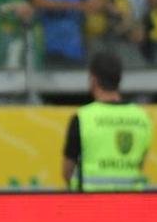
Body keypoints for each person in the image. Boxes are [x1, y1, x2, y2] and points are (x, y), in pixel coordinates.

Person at [61, 51, 152, 192]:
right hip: (131, 206)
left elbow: (67, 172)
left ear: (93, 79)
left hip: (91, 206)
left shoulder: (83, 118)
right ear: (119, 79)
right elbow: (140, 164)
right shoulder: (141, 118)